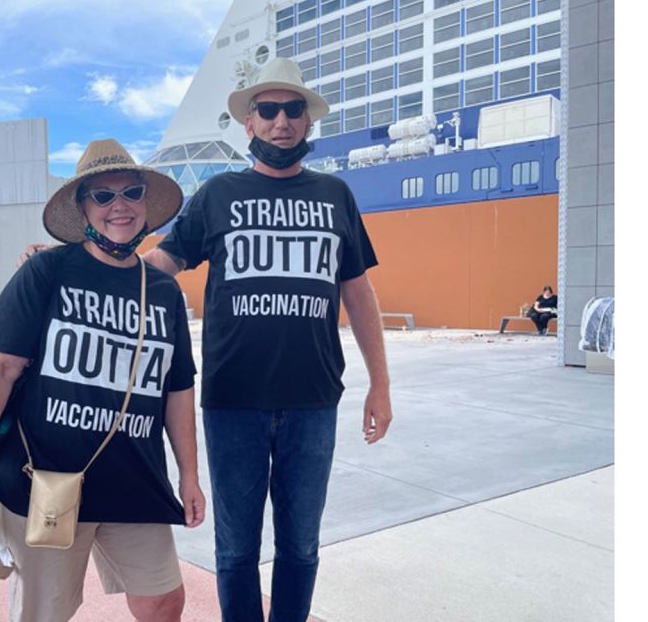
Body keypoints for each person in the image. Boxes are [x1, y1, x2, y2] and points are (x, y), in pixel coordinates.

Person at [21, 58, 394, 622]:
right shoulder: (219, 194)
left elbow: (358, 292)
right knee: (237, 550)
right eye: (267, 110)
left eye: (293, 110)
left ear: (307, 121)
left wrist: (380, 385)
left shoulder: (334, 196)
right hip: (232, 404)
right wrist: (73, 269)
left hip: (313, 402)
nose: (281, 122)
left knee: (300, 547)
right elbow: (155, 267)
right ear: (248, 122)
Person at [0, 139, 206, 622]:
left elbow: (178, 389)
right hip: (47, 479)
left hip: (135, 479)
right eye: (103, 196)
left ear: (146, 203)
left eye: (131, 192)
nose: (119, 206)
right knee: (45, 613)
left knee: (164, 601)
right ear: (83, 206)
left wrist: (189, 474)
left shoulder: (163, 291)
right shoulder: (48, 271)